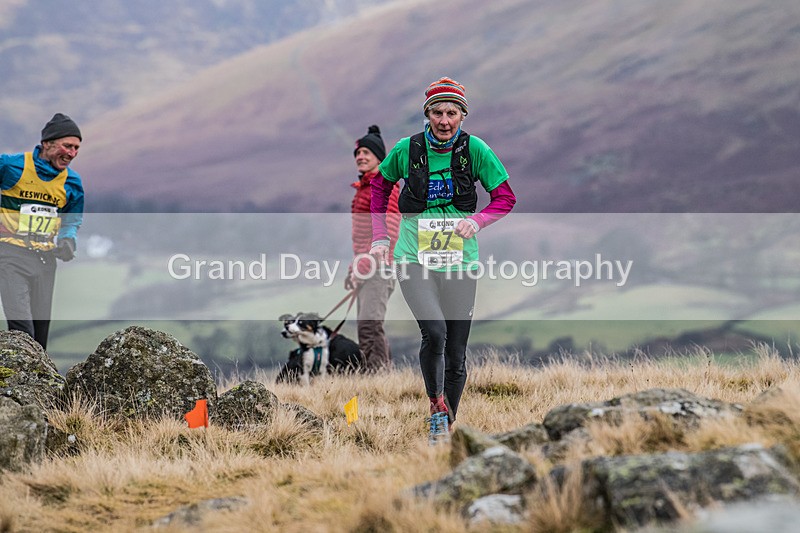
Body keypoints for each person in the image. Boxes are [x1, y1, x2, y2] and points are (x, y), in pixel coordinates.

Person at [370, 77, 516, 443]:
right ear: (427, 114)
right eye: (437, 112)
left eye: (452, 113)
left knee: (456, 350)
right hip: (412, 256)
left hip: (459, 260)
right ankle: (435, 404)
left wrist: (477, 220)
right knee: (433, 332)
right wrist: (378, 237)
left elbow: (505, 197)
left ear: (463, 115)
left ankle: (446, 424)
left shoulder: (476, 150)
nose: (444, 120)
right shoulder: (408, 149)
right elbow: (379, 185)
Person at [0, 113, 85, 350]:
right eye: (67, 146)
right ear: (47, 143)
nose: (72, 153)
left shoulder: (72, 181)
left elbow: (71, 219)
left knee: (39, 339)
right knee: (22, 331)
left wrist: (68, 241)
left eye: (77, 148)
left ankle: (37, 388)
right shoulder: (11, 166)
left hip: (45, 260)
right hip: (9, 255)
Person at [345, 125, 400, 372]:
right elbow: (363, 239)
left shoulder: (384, 187)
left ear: (380, 157)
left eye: (367, 152)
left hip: (381, 266)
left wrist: (363, 267)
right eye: (358, 153)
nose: (361, 156)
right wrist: (354, 269)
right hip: (368, 266)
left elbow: (388, 231)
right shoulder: (365, 189)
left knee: (370, 326)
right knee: (367, 326)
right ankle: (381, 377)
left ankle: (379, 379)